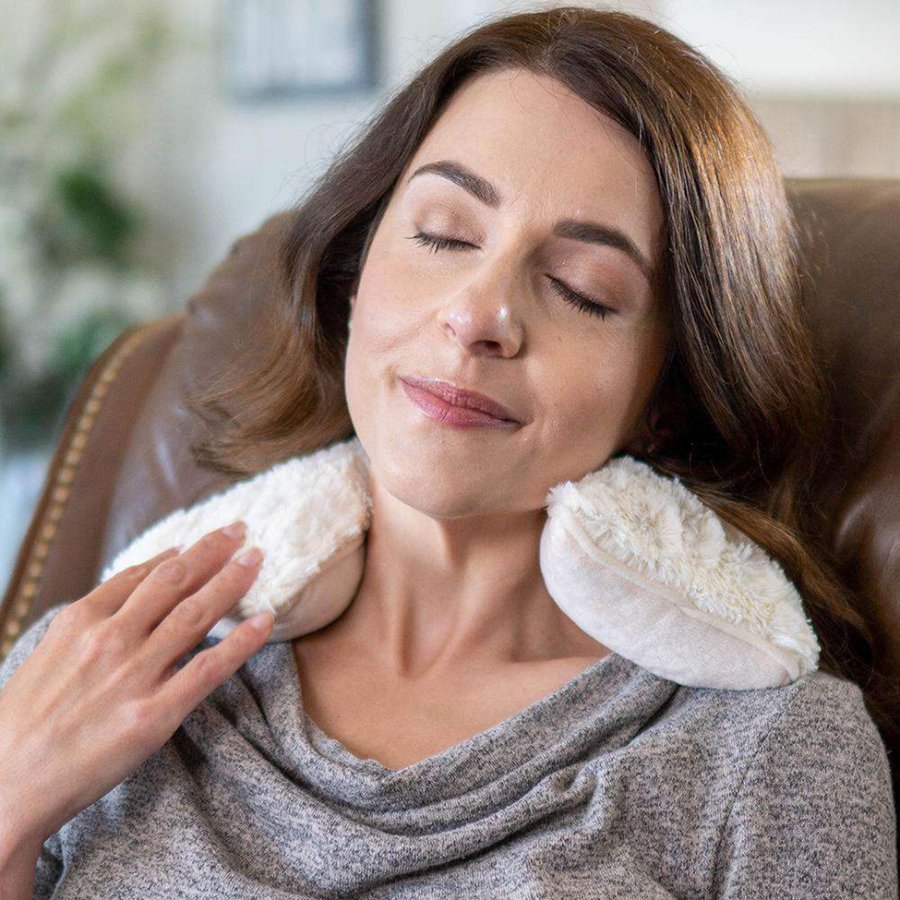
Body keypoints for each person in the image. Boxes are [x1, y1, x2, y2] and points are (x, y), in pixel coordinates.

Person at [0, 6, 896, 898]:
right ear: (355, 276)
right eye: (443, 234)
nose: (477, 316)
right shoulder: (98, 664)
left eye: (583, 290)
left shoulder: (766, 753)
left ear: (664, 397)